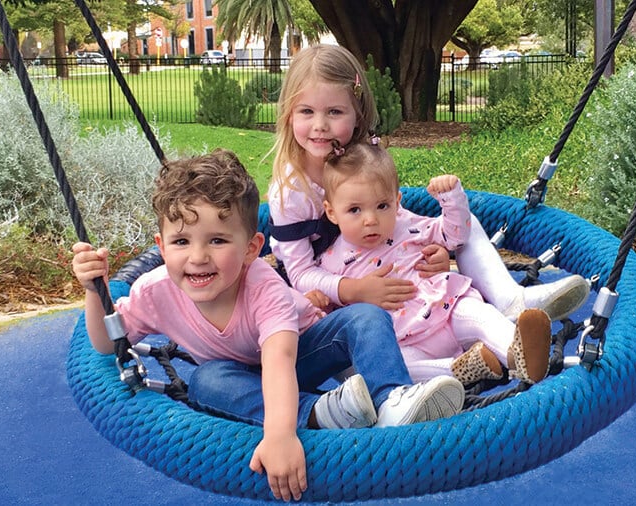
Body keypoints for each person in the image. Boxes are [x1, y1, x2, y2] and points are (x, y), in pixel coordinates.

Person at [71, 149, 465, 502]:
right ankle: (321, 412)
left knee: (365, 316)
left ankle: (391, 398)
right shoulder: (154, 291)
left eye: (218, 241)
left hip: (304, 350)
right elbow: (108, 345)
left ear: (251, 249)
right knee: (206, 381)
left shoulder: (263, 286)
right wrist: (95, 291)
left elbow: (280, 358)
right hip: (242, 374)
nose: (198, 257)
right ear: (161, 246)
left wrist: (279, 435)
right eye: (181, 242)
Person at [267, 44, 589, 325]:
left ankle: (509, 300)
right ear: (289, 115)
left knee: (467, 221)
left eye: (335, 112)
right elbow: (300, 275)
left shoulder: (362, 157)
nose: (320, 125)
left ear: (357, 112)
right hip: (335, 294)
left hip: (385, 266)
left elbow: (397, 222)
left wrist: (431, 249)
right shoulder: (292, 192)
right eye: (306, 112)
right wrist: (354, 289)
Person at [316, 140, 551, 385]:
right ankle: (463, 368)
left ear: (397, 203)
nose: (370, 220)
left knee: (483, 316)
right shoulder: (330, 263)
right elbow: (332, 315)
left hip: (446, 307)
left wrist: (452, 199)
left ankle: (516, 354)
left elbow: (455, 235)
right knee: (391, 365)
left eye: (382, 206)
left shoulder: (406, 224)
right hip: (402, 338)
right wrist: (317, 302)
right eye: (355, 210)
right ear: (332, 212)